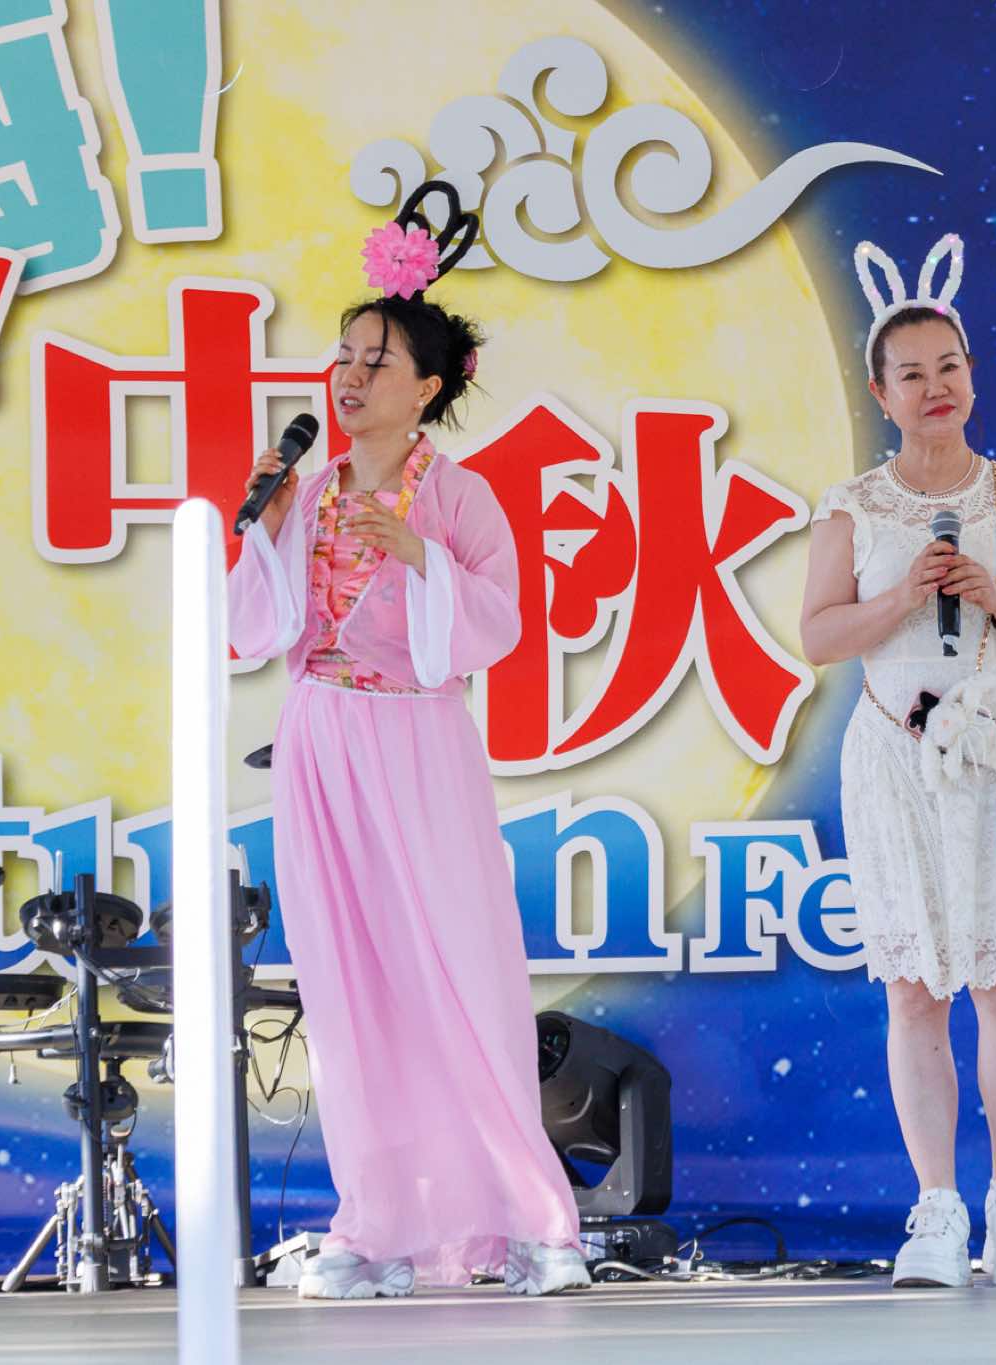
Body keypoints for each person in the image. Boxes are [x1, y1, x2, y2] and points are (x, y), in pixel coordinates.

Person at [227, 187, 586, 1300]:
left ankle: (534, 1224)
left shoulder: (460, 497)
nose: (349, 377)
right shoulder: (307, 490)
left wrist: (418, 554)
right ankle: (375, 1225)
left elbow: (498, 624)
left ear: (428, 387)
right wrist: (268, 534)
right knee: (345, 988)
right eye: (343, 357)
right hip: (320, 735)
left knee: (459, 974)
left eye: (375, 361)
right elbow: (253, 631)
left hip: (419, 739)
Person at [800, 234, 996, 1288]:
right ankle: (935, 1209)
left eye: (948, 367)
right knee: (914, 988)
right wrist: (904, 595)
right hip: (895, 757)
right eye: (911, 374)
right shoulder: (854, 507)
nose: (934, 388)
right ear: (880, 394)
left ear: (972, 375)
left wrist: (993, 595)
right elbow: (819, 635)